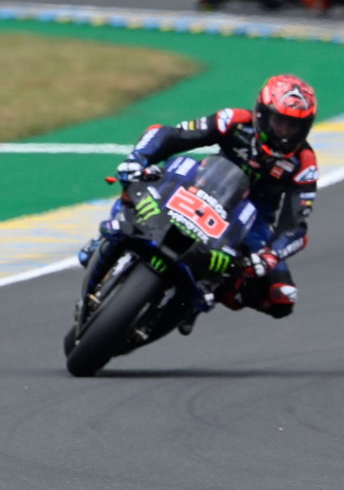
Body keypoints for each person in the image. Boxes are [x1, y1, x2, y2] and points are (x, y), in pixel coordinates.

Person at [79, 75, 319, 330]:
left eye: (294, 126)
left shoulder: (304, 164)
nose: (285, 133)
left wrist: (270, 255)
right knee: (143, 180)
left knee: (281, 296)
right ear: (261, 114)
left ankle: (200, 297)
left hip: (252, 220)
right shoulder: (234, 121)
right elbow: (171, 134)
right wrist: (138, 159)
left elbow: (295, 226)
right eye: (280, 122)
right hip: (204, 184)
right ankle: (112, 231)